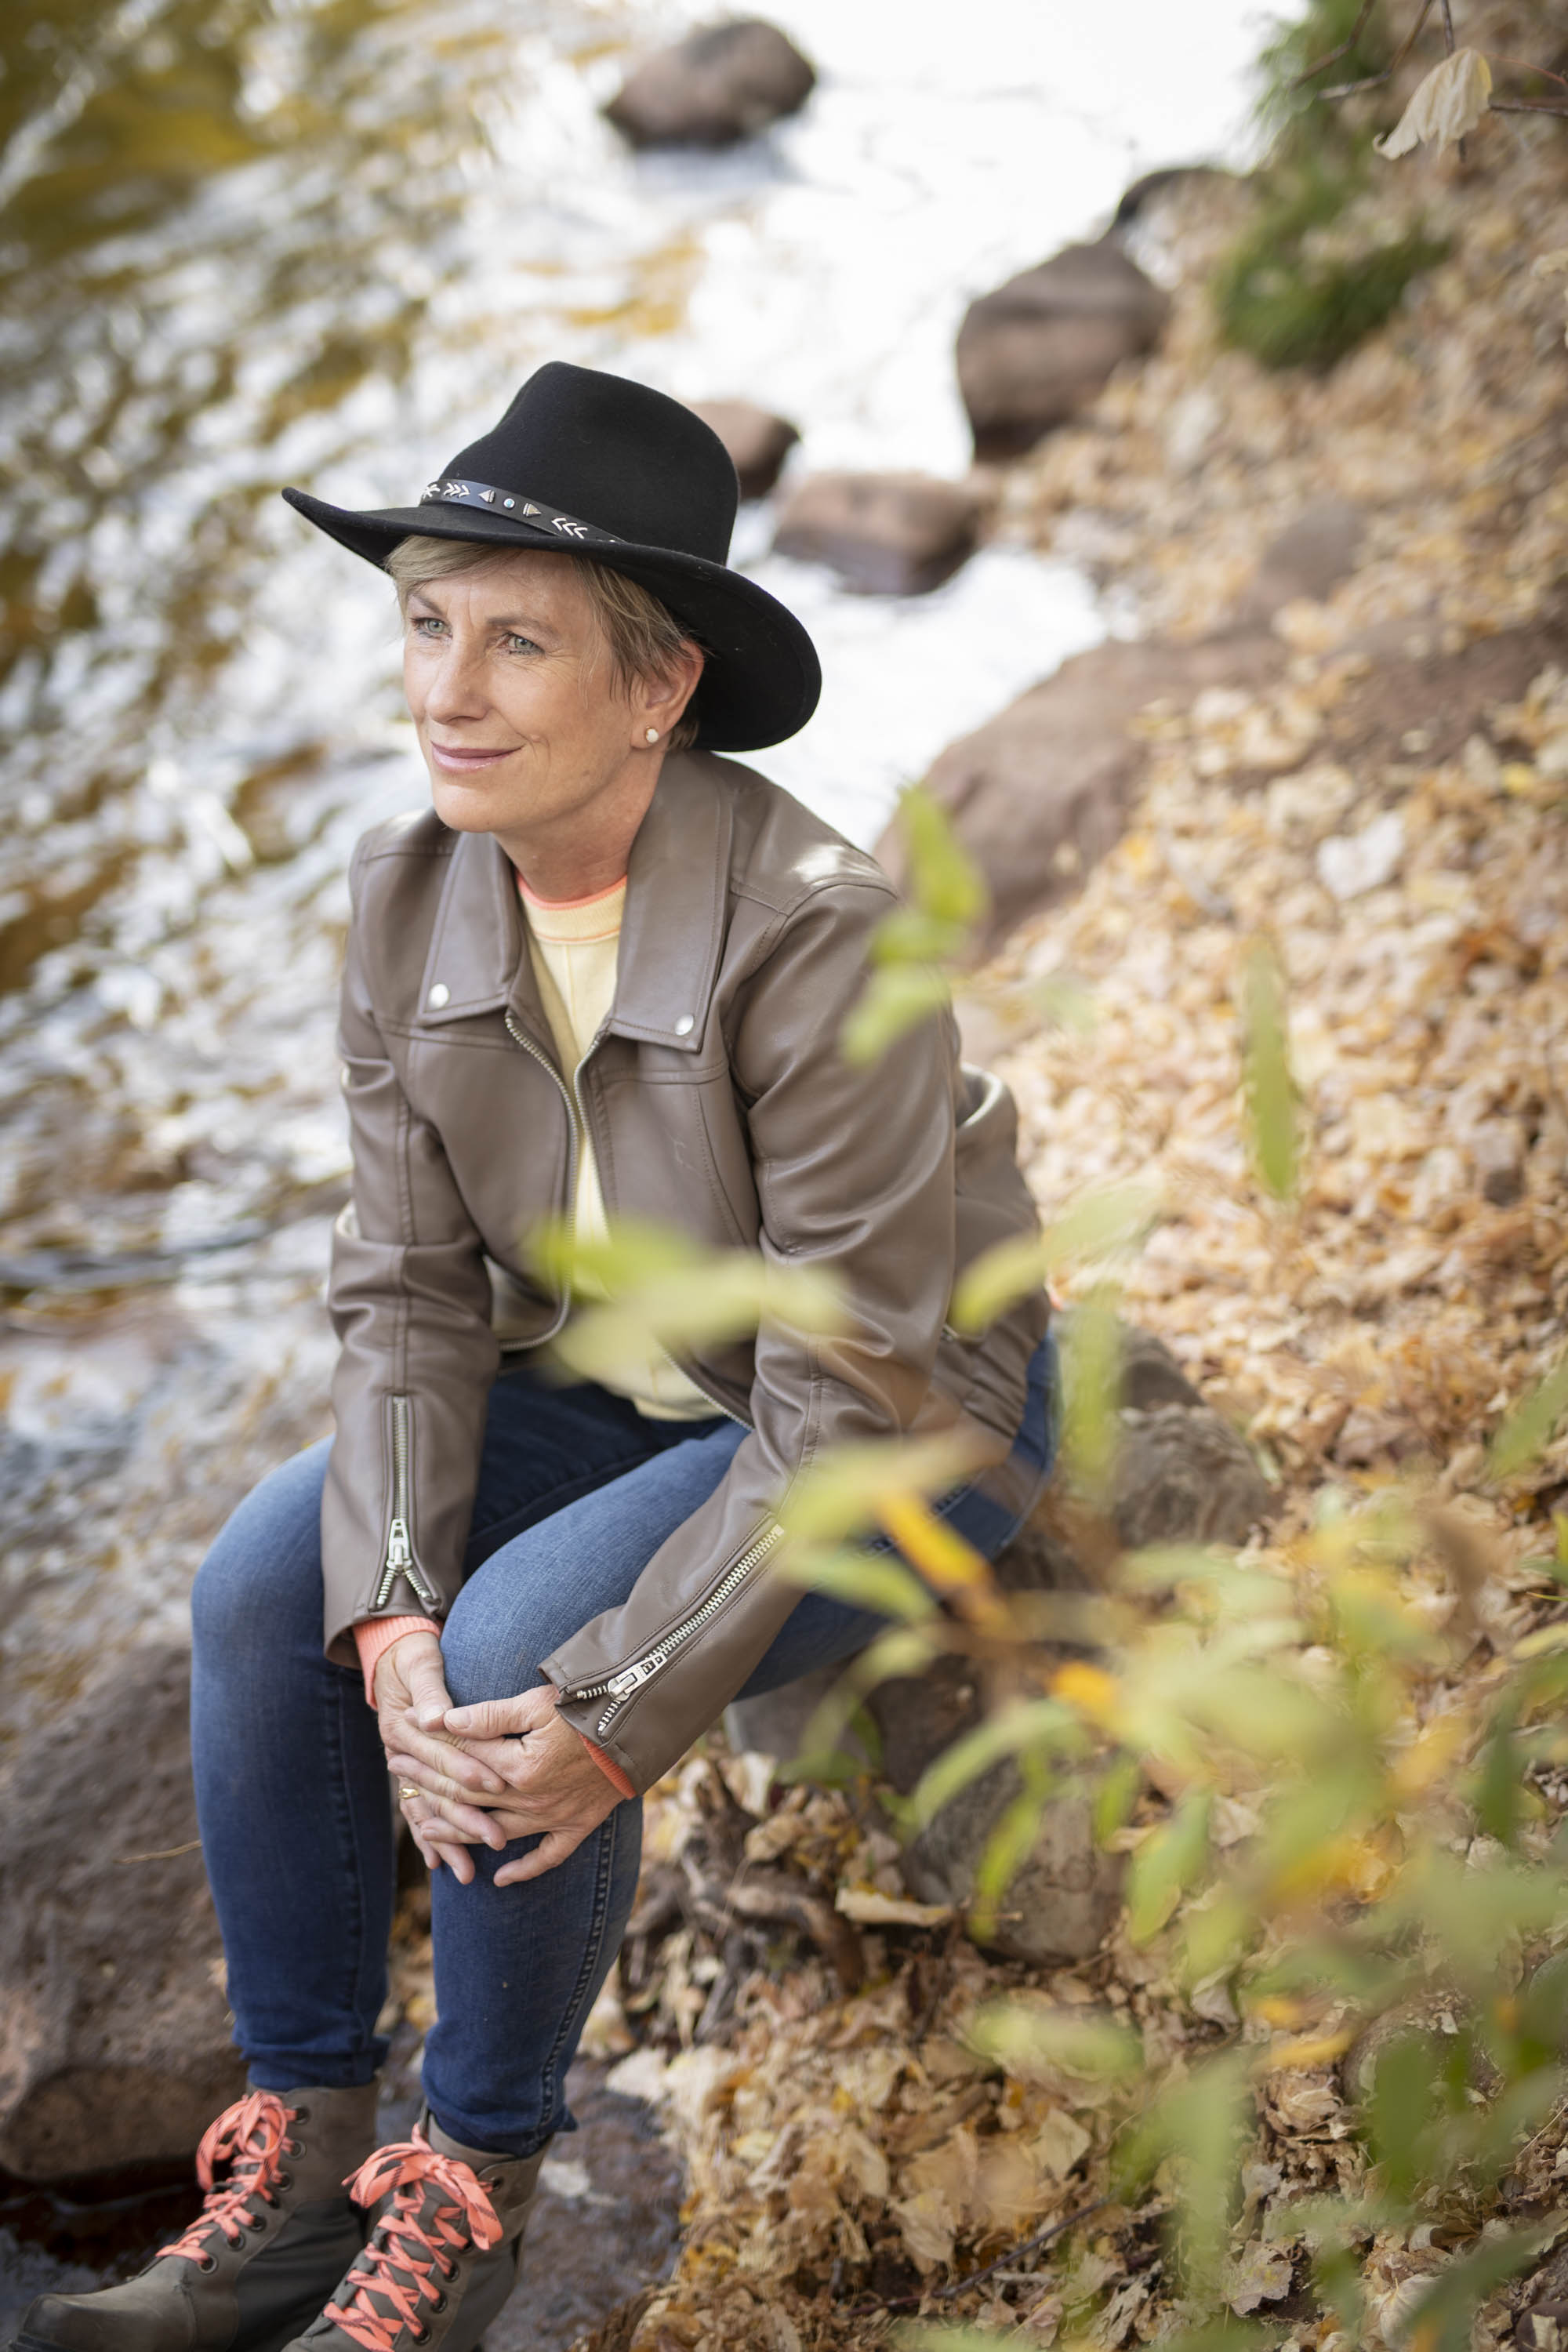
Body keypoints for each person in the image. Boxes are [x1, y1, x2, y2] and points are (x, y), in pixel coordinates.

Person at [19, 363, 1053, 2352]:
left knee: (529, 1663)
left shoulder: (822, 932)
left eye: (516, 640)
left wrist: (622, 1705)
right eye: (424, 622)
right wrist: (386, 1616)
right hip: (614, 1389)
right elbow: (405, 1294)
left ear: (656, 688)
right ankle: (300, 2169)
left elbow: (850, 1390)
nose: (446, 688)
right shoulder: (403, 893)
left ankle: (468, 2202)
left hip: (910, 1430)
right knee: (270, 1583)